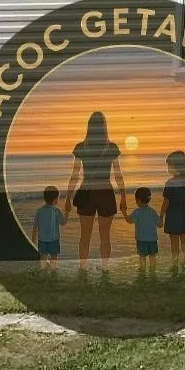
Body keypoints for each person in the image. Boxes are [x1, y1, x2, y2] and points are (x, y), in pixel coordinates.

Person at [63, 112, 125, 273]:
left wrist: (68, 198)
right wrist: (123, 196)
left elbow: (75, 175)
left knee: (85, 236)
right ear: (104, 127)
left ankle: (83, 268)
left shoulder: (81, 147)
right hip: (105, 192)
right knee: (105, 235)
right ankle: (104, 268)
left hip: (87, 193)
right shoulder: (111, 147)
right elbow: (118, 175)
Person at [160, 150, 185, 273]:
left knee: (174, 242)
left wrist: (160, 217)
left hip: (172, 215)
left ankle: (175, 264)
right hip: (184, 214)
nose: (168, 168)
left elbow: (166, 203)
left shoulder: (169, 183)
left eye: (169, 165)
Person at [129, 186, 160, 278]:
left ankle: (142, 271)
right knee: (152, 256)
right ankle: (153, 270)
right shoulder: (152, 211)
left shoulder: (137, 212)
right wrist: (161, 217)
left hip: (141, 239)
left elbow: (130, 221)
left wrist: (123, 212)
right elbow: (159, 224)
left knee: (142, 256)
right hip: (152, 239)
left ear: (137, 200)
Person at [33, 186, 65, 271]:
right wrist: (68, 212)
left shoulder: (39, 211)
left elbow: (35, 225)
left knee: (43, 255)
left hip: (42, 239)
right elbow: (63, 222)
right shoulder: (57, 210)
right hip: (54, 239)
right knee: (54, 255)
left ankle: (43, 269)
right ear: (55, 199)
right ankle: (53, 269)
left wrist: (33, 238)